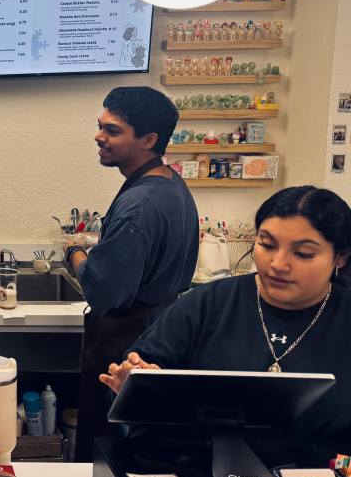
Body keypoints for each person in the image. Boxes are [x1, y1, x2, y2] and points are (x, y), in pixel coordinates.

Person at [101, 186, 351, 453]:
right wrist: (134, 383)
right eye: (267, 245)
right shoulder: (206, 304)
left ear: (341, 256)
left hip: (323, 475)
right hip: (196, 466)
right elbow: (131, 382)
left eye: (303, 254)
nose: (278, 264)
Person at [63, 86, 199, 460]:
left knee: (107, 451)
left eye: (112, 130)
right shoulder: (171, 184)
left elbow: (102, 290)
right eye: (100, 126)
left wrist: (74, 253)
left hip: (127, 343)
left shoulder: (139, 205)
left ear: (148, 140)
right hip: (160, 329)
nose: (99, 136)